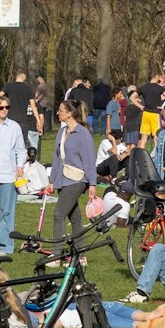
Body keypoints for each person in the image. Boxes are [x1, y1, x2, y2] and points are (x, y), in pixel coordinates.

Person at [52, 99, 95, 237]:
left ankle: (57, 255)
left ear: (69, 113)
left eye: (61, 110)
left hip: (77, 180)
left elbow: (89, 160)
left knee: (58, 215)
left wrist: (92, 184)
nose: (57, 113)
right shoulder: (61, 132)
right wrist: (51, 181)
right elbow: (57, 158)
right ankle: (81, 254)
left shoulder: (83, 133)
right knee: (75, 218)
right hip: (62, 179)